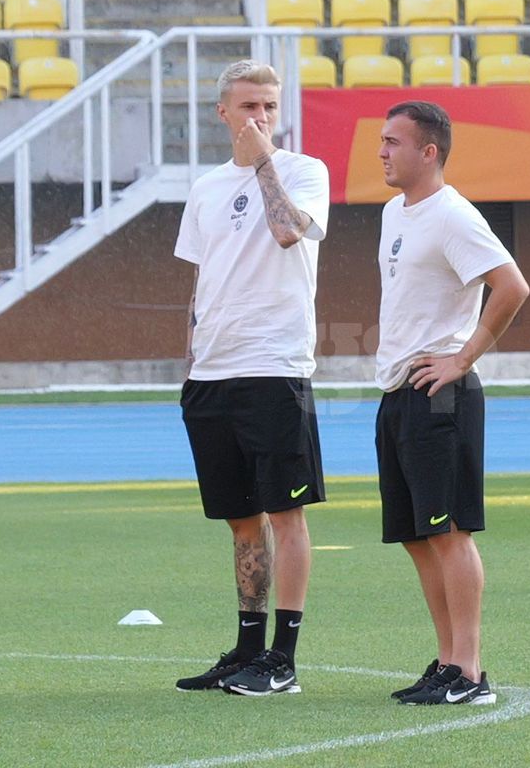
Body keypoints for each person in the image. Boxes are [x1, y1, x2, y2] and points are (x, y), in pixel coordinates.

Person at [172, 59, 330, 696]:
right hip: (213, 372)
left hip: (274, 367)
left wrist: (264, 158)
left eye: (268, 106)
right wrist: (191, 357)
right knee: (240, 520)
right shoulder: (206, 188)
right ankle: (246, 649)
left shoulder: (303, 171)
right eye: (247, 108)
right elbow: (201, 278)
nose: (259, 117)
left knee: (285, 515)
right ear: (222, 113)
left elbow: (289, 231)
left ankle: (283, 659)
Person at [374, 101, 530, 705]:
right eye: (383, 140)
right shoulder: (394, 212)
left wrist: (462, 359)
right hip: (399, 391)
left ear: (428, 152)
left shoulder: (453, 216)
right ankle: (445, 662)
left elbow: (512, 286)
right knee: (417, 536)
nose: (383, 151)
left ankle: (469, 671)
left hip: (442, 393)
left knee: (449, 532)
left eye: (394, 142)